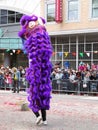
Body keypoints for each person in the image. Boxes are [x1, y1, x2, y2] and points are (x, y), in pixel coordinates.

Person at [18, 14, 53, 125]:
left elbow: (24, 40)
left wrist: (24, 37)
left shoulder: (32, 50)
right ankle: (44, 120)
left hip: (37, 74)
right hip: (41, 74)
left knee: (35, 98)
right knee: (42, 97)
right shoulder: (42, 48)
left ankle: (39, 116)